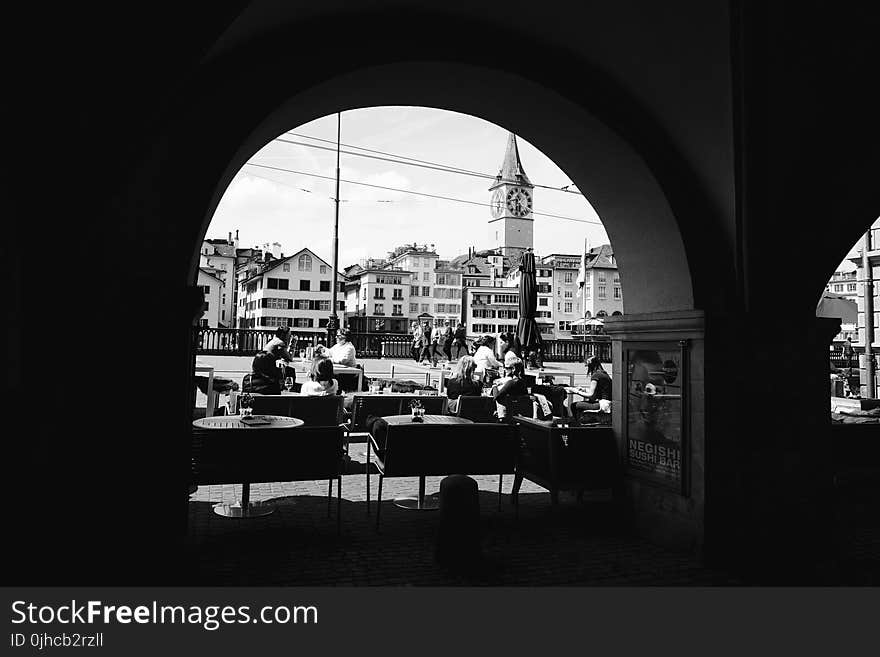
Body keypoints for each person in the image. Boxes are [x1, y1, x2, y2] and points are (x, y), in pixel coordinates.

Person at [492, 354, 529, 422]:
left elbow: (496, 397)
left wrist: (494, 385)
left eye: (506, 367)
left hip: (508, 416)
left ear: (513, 369)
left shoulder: (511, 383)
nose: (504, 369)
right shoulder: (522, 382)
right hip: (519, 414)